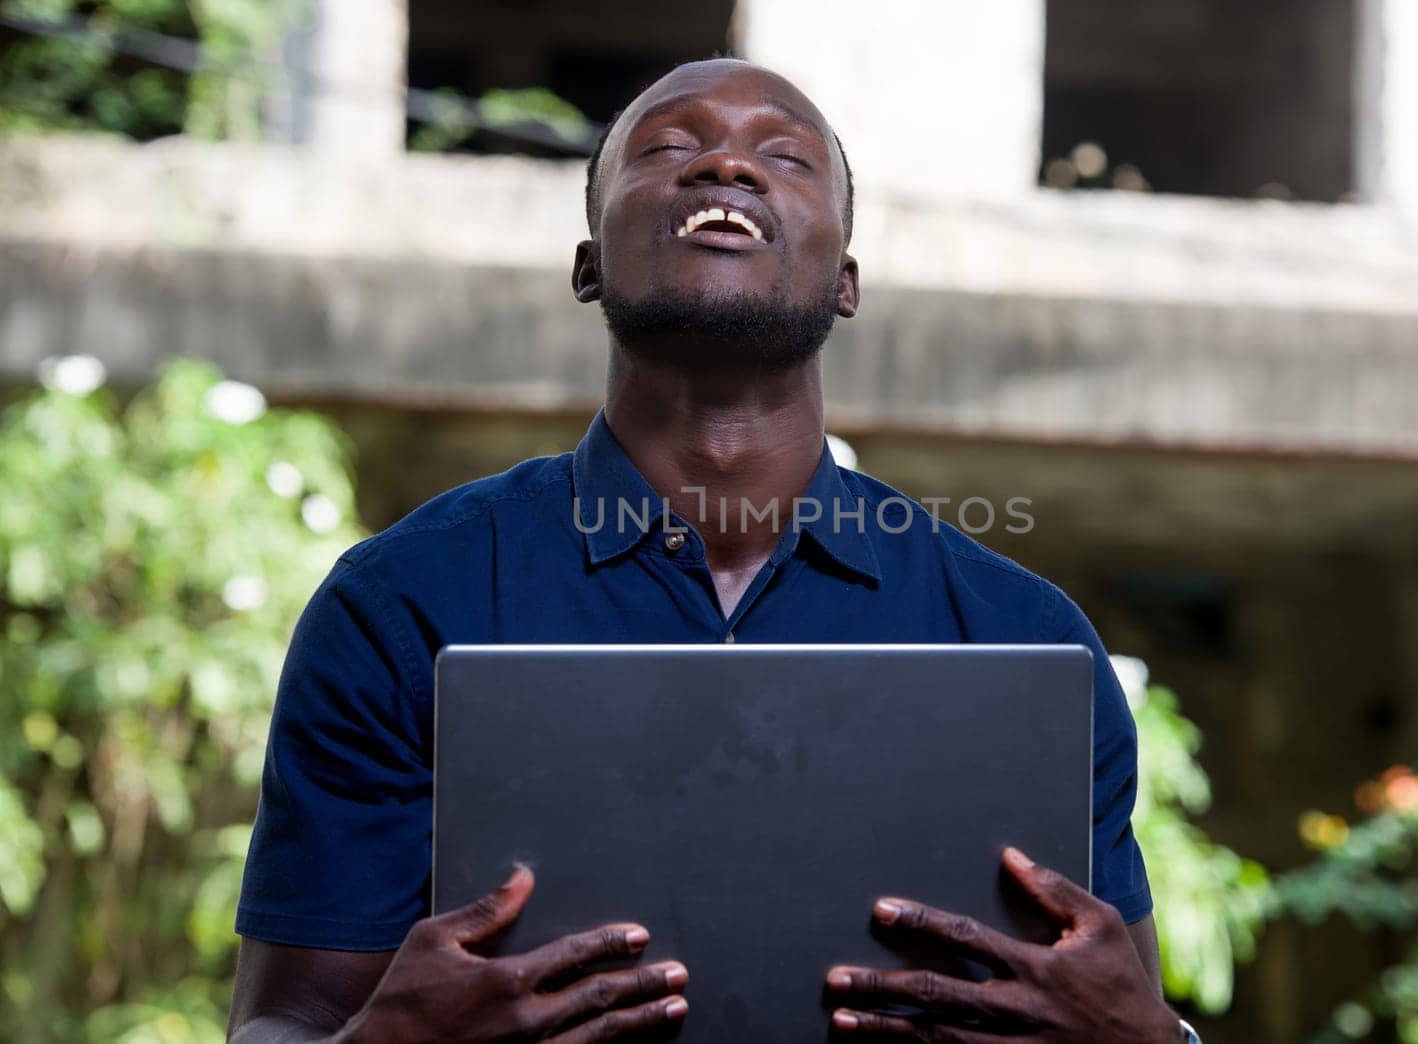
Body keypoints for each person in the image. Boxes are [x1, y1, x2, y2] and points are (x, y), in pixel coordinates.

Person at [226, 58, 1195, 1043]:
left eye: (783, 155)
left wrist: (1157, 1042)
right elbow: (284, 1023)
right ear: (588, 264)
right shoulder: (399, 606)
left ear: (845, 281)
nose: (725, 166)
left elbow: (1115, 1008)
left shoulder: (1025, 642)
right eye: (669, 147)